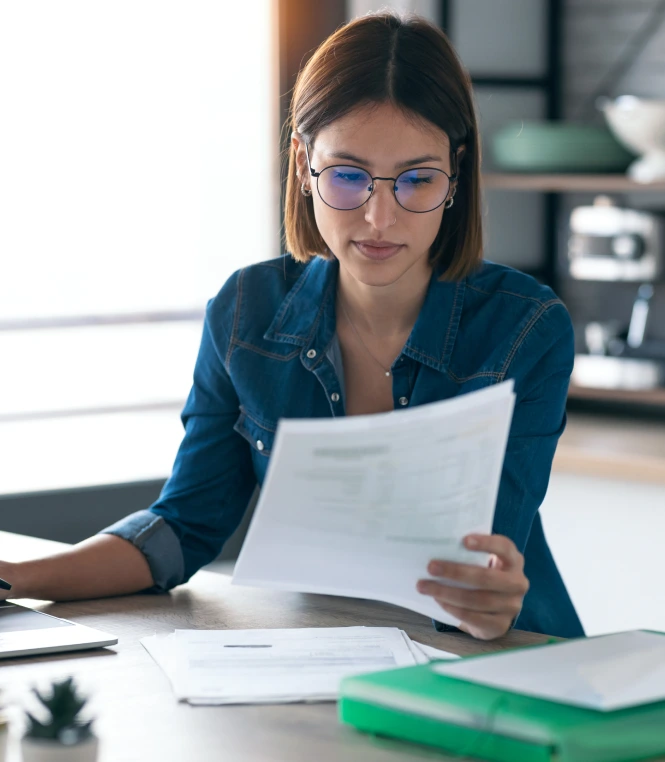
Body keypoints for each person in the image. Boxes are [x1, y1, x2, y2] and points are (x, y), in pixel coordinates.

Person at [0, 11, 584, 641]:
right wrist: (14, 576)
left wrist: (489, 599)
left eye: (417, 179)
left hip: (505, 657)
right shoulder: (246, 311)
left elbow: (488, 560)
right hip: (324, 663)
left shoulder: (525, 327)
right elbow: (182, 529)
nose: (380, 217)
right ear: (304, 164)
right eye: (348, 176)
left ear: (456, 174)